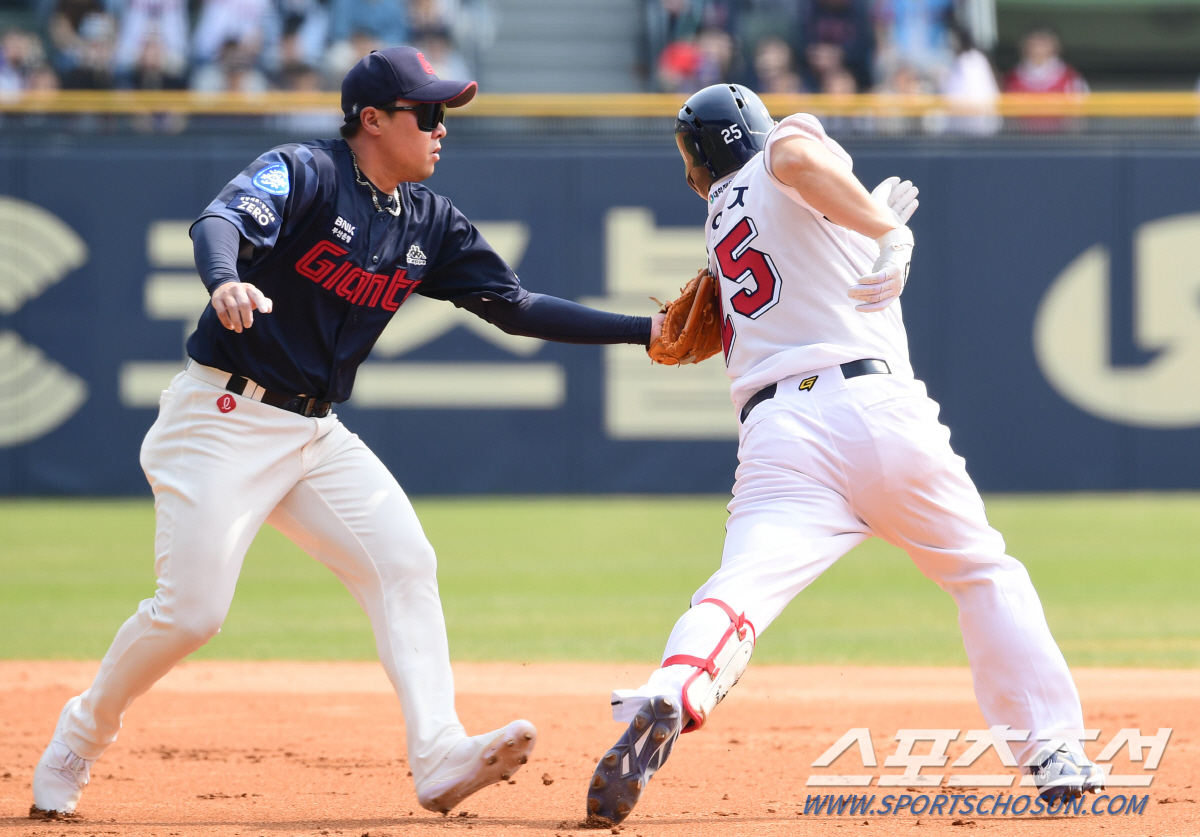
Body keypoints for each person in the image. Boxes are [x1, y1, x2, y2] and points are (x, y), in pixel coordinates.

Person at [30, 46, 662, 821]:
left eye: (444, 114)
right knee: (193, 612)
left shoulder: (425, 218)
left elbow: (515, 305)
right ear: (371, 120)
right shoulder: (308, 171)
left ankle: (437, 755)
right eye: (426, 113)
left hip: (313, 433)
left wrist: (646, 329)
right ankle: (79, 734)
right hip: (221, 419)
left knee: (404, 561)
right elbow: (220, 220)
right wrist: (225, 278)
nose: (441, 128)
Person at [584, 83, 1103, 826]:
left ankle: (673, 688)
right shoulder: (781, 151)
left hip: (777, 434)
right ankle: (1053, 750)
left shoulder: (721, 219)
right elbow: (794, 153)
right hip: (871, 409)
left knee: (738, 591)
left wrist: (863, 220)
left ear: (698, 157)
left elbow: (811, 235)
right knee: (983, 572)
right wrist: (888, 229)